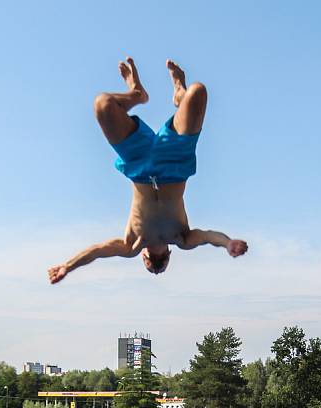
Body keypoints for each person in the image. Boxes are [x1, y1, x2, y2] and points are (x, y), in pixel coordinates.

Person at [48, 58, 247, 284]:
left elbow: (97, 251)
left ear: (143, 257)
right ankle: (179, 94)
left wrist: (68, 266)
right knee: (197, 91)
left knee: (102, 104)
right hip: (175, 162)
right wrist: (227, 243)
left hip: (138, 162)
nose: (156, 263)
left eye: (152, 265)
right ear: (167, 256)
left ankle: (136, 94)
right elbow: (209, 237)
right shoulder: (182, 239)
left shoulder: (131, 244)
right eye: (159, 264)